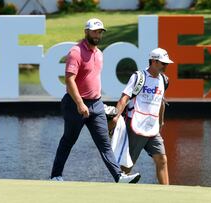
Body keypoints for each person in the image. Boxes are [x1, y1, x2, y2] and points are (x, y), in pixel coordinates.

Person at [50, 18, 140, 183]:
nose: (97, 35)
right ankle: (56, 175)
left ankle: (119, 176)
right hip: (74, 104)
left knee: (104, 142)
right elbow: (69, 80)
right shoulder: (76, 52)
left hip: (96, 104)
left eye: (100, 32)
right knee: (69, 140)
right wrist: (79, 103)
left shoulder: (99, 53)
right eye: (94, 31)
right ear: (86, 32)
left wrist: (96, 103)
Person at [110, 48, 173, 185]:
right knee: (127, 165)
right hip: (136, 126)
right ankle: (118, 192)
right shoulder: (138, 77)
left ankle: (168, 194)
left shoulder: (164, 80)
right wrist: (115, 118)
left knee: (162, 160)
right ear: (154, 62)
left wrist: (161, 122)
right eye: (163, 63)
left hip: (152, 128)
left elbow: (161, 102)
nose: (166, 66)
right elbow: (124, 98)